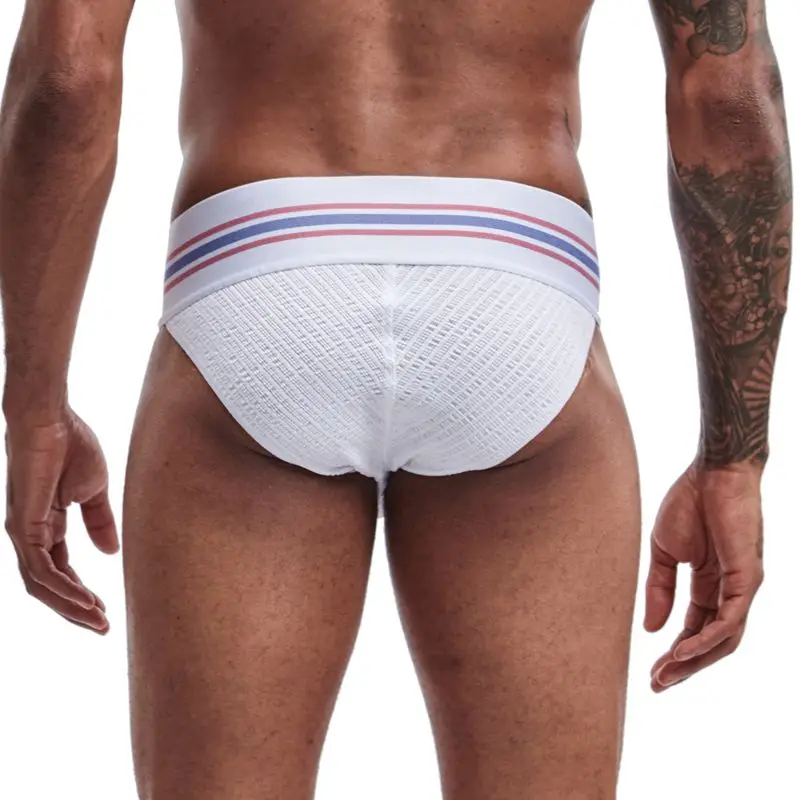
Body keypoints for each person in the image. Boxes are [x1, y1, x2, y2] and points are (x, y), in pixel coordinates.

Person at [0, 1, 791, 797]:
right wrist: (734, 460)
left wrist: (34, 409)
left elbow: (67, 81)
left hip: (260, 263)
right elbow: (725, 93)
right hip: (513, 272)